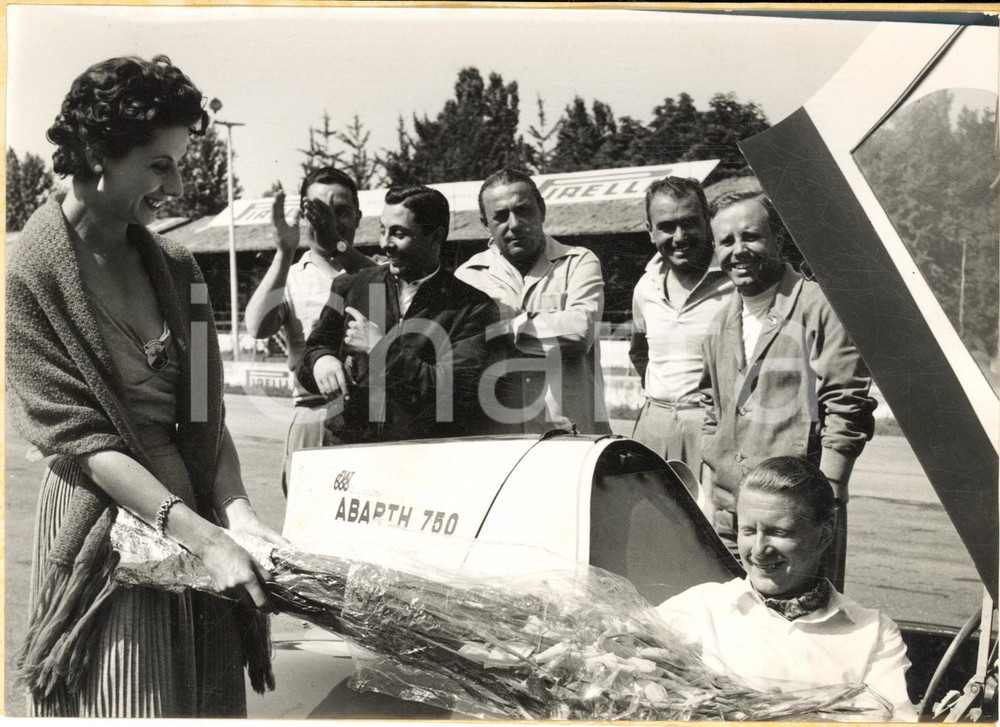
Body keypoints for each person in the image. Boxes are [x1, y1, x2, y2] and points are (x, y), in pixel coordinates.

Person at [6, 55, 286, 717]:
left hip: (194, 502)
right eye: (160, 164)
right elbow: (83, 442)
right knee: (136, 699)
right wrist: (204, 537)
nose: (177, 183)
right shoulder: (29, 277)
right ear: (100, 153)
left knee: (205, 699)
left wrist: (239, 517)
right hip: (103, 519)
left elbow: (204, 415)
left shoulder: (179, 267)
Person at [699, 191, 876, 590]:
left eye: (751, 236)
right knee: (734, 624)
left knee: (804, 628)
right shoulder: (719, 322)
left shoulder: (819, 305)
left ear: (778, 239)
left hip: (797, 517)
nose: (739, 250)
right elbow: (713, 410)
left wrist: (827, 500)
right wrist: (713, 488)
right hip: (732, 516)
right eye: (726, 242)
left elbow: (847, 403)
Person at [657, 457, 916, 720]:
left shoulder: (873, 633)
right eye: (748, 530)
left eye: (778, 533)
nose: (759, 550)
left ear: (825, 535)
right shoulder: (696, 609)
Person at [297, 184, 502, 442]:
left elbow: (453, 392)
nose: (384, 244)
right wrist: (319, 361)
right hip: (349, 451)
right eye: (383, 230)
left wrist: (380, 348)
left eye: (399, 233)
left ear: (435, 237)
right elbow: (309, 355)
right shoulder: (351, 286)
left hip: (423, 458)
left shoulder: (473, 307)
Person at [244, 167, 375, 494]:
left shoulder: (379, 273)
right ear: (304, 216)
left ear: (359, 216)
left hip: (377, 420)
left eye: (342, 211)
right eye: (320, 212)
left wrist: (341, 249)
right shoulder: (293, 277)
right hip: (315, 415)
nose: (331, 221)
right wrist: (284, 252)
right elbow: (257, 326)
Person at [455, 168, 611, 434]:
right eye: (501, 216)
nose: (514, 224)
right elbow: (466, 356)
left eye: (524, 210)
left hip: (573, 433)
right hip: (502, 437)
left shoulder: (578, 262)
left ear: (542, 211)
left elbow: (579, 332)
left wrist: (505, 328)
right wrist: (547, 327)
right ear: (485, 224)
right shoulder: (468, 277)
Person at [629, 177, 733, 473]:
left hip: (713, 427)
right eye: (666, 226)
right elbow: (640, 353)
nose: (679, 236)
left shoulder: (735, 282)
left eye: (689, 223)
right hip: (654, 427)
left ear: (706, 222)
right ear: (650, 232)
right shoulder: (644, 287)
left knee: (712, 518)